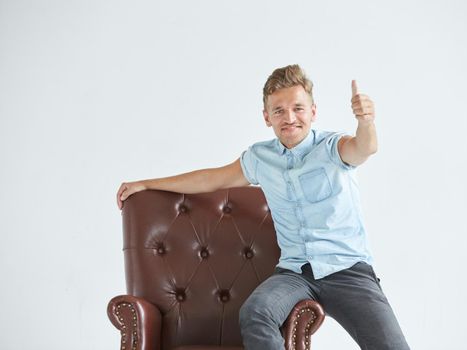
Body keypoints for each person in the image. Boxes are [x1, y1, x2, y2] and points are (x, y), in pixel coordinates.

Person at [116, 64, 410, 350]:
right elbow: (211, 178)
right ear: (267, 117)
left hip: (348, 270)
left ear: (313, 112)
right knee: (256, 312)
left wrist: (366, 122)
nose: (289, 118)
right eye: (279, 110)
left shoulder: (333, 148)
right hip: (295, 273)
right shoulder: (260, 158)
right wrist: (147, 184)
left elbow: (364, 148)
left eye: (298, 108)